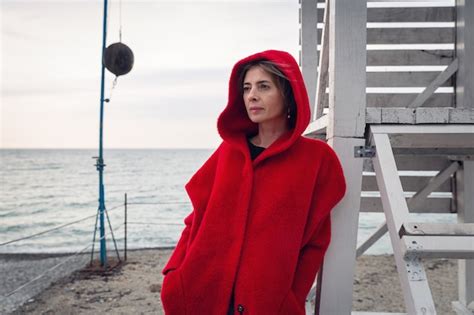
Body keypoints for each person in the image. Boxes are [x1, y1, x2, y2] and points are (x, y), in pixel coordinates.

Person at [160, 50, 346, 315]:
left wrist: (290, 297)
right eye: (246, 88)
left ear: (288, 93)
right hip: (200, 294)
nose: (252, 96)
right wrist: (174, 273)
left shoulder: (316, 159)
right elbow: (195, 219)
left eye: (263, 86)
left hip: (267, 304)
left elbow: (315, 241)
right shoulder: (228, 152)